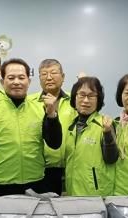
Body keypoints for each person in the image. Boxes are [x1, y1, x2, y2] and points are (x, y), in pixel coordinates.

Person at [0, 58, 62, 196]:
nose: (16, 82)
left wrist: (52, 115)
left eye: (21, 77)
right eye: (11, 78)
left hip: (36, 183)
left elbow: (55, 143)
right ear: (2, 82)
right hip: (1, 185)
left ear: (29, 81)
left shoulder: (41, 109)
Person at [29, 59, 77, 195]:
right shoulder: (29, 102)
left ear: (63, 76)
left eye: (53, 73)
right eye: (44, 74)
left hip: (72, 167)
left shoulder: (75, 101)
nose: (49, 77)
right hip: (42, 170)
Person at [65, 76, 118, 196]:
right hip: (72, 194)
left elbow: (111, 158)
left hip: (96, 196)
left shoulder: (105, 124)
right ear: (74, 97)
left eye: (91, 96)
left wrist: (107, 133)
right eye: (82, 95)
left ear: (98, 99)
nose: (86, 100)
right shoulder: (71, 126)